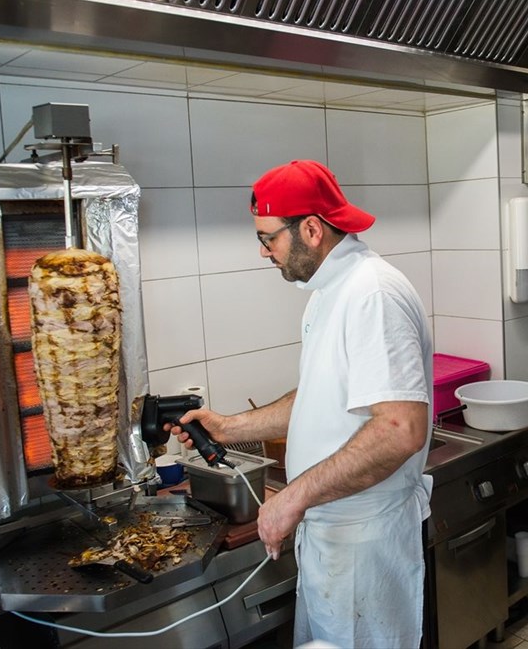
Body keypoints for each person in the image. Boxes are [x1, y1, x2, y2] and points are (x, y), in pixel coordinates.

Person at [168, 159, 434, 648]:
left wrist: (293, 496)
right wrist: (228, 427)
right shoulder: (327, 293)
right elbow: (317, 395)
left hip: (363, 542)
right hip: (332, 535)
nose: (264, 252)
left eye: (268, 238)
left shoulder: (371, 294)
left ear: (310, 229)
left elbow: (400, 429)